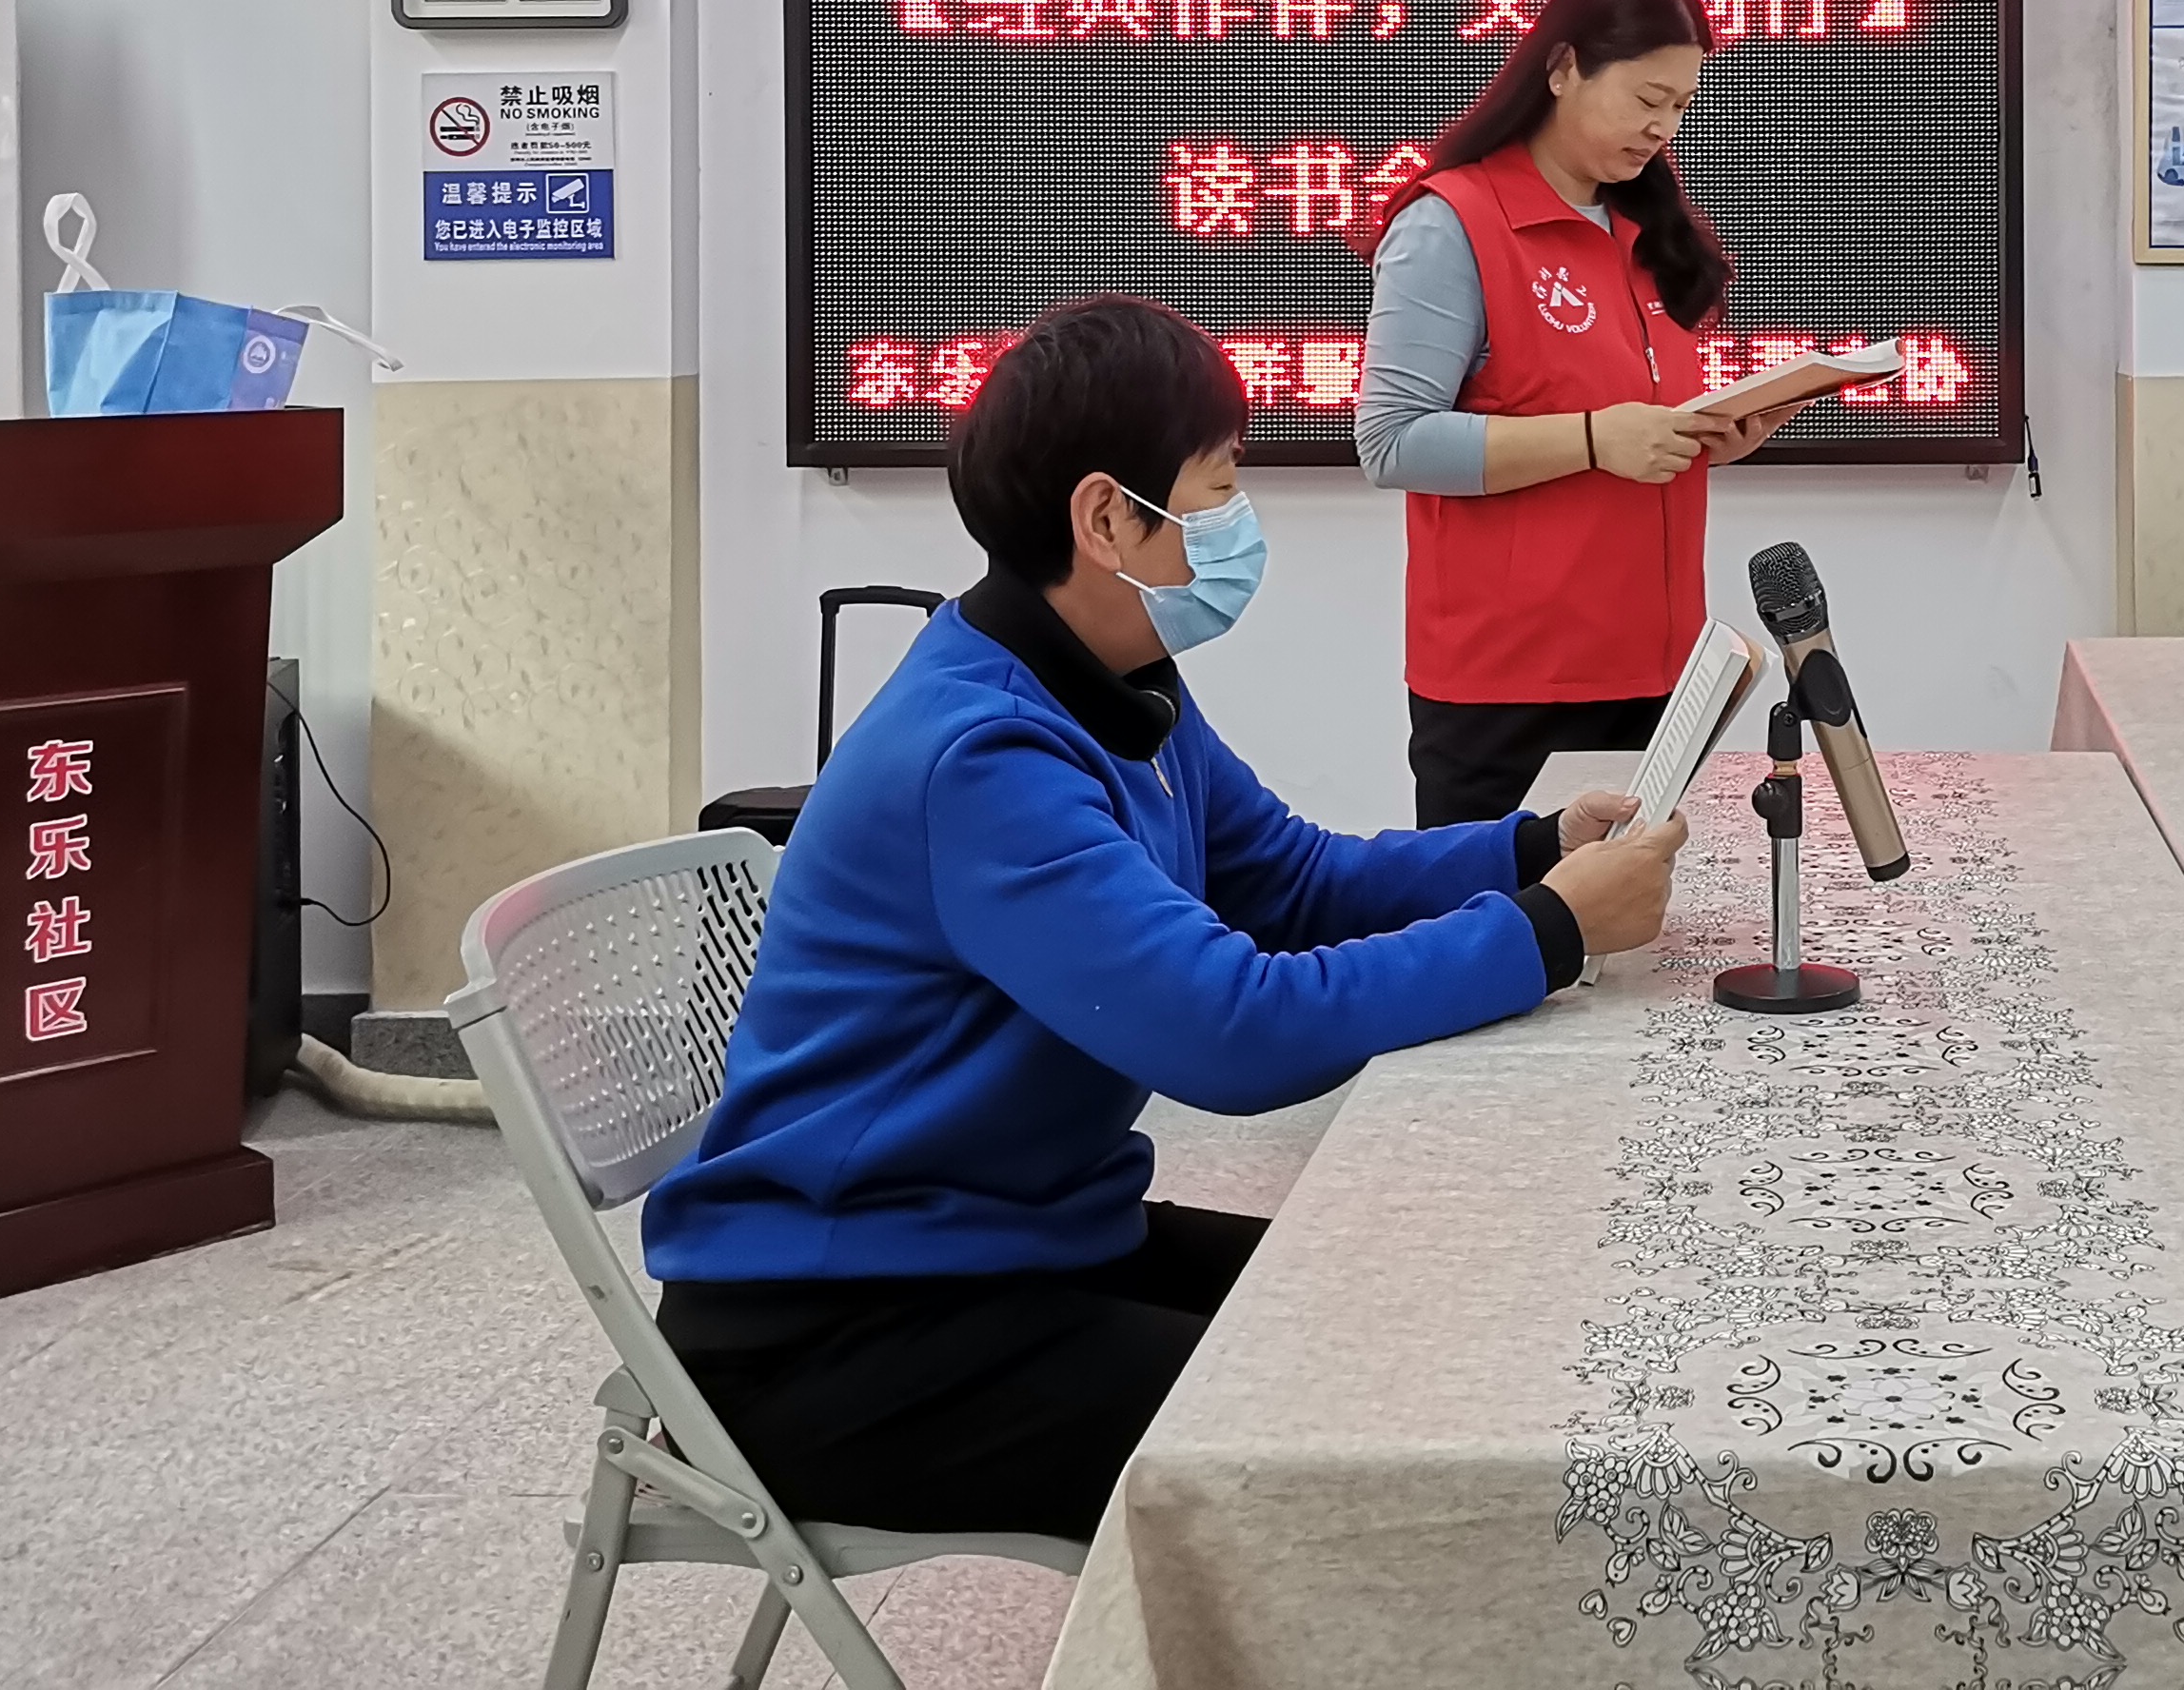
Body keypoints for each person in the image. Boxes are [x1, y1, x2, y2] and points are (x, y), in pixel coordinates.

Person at [641, 297, 1687, 1539]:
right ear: (1106, 518)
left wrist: (1529, 850)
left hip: (1015, 1238)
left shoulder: (1117, 685)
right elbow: (1232, 1035)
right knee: (1369, 1452)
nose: (1241, 519)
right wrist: (1547, 931)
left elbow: (1293, 885)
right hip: (846, 1325)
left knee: (1417, 1326)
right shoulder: (979, 755)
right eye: (1220, 484)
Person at [1354, 0, 1789, 826]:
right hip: (1512, 690)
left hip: (1662, 673)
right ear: (1562, 69)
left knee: (1643, 912)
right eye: (1646, 98)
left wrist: (1705, 436)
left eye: (1681, 105)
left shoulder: (1644, 230)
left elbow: (1632, 426)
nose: (1663, 127)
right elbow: (1393, 441)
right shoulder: (1453, 223)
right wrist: (1595, 439)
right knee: (1515, 913)